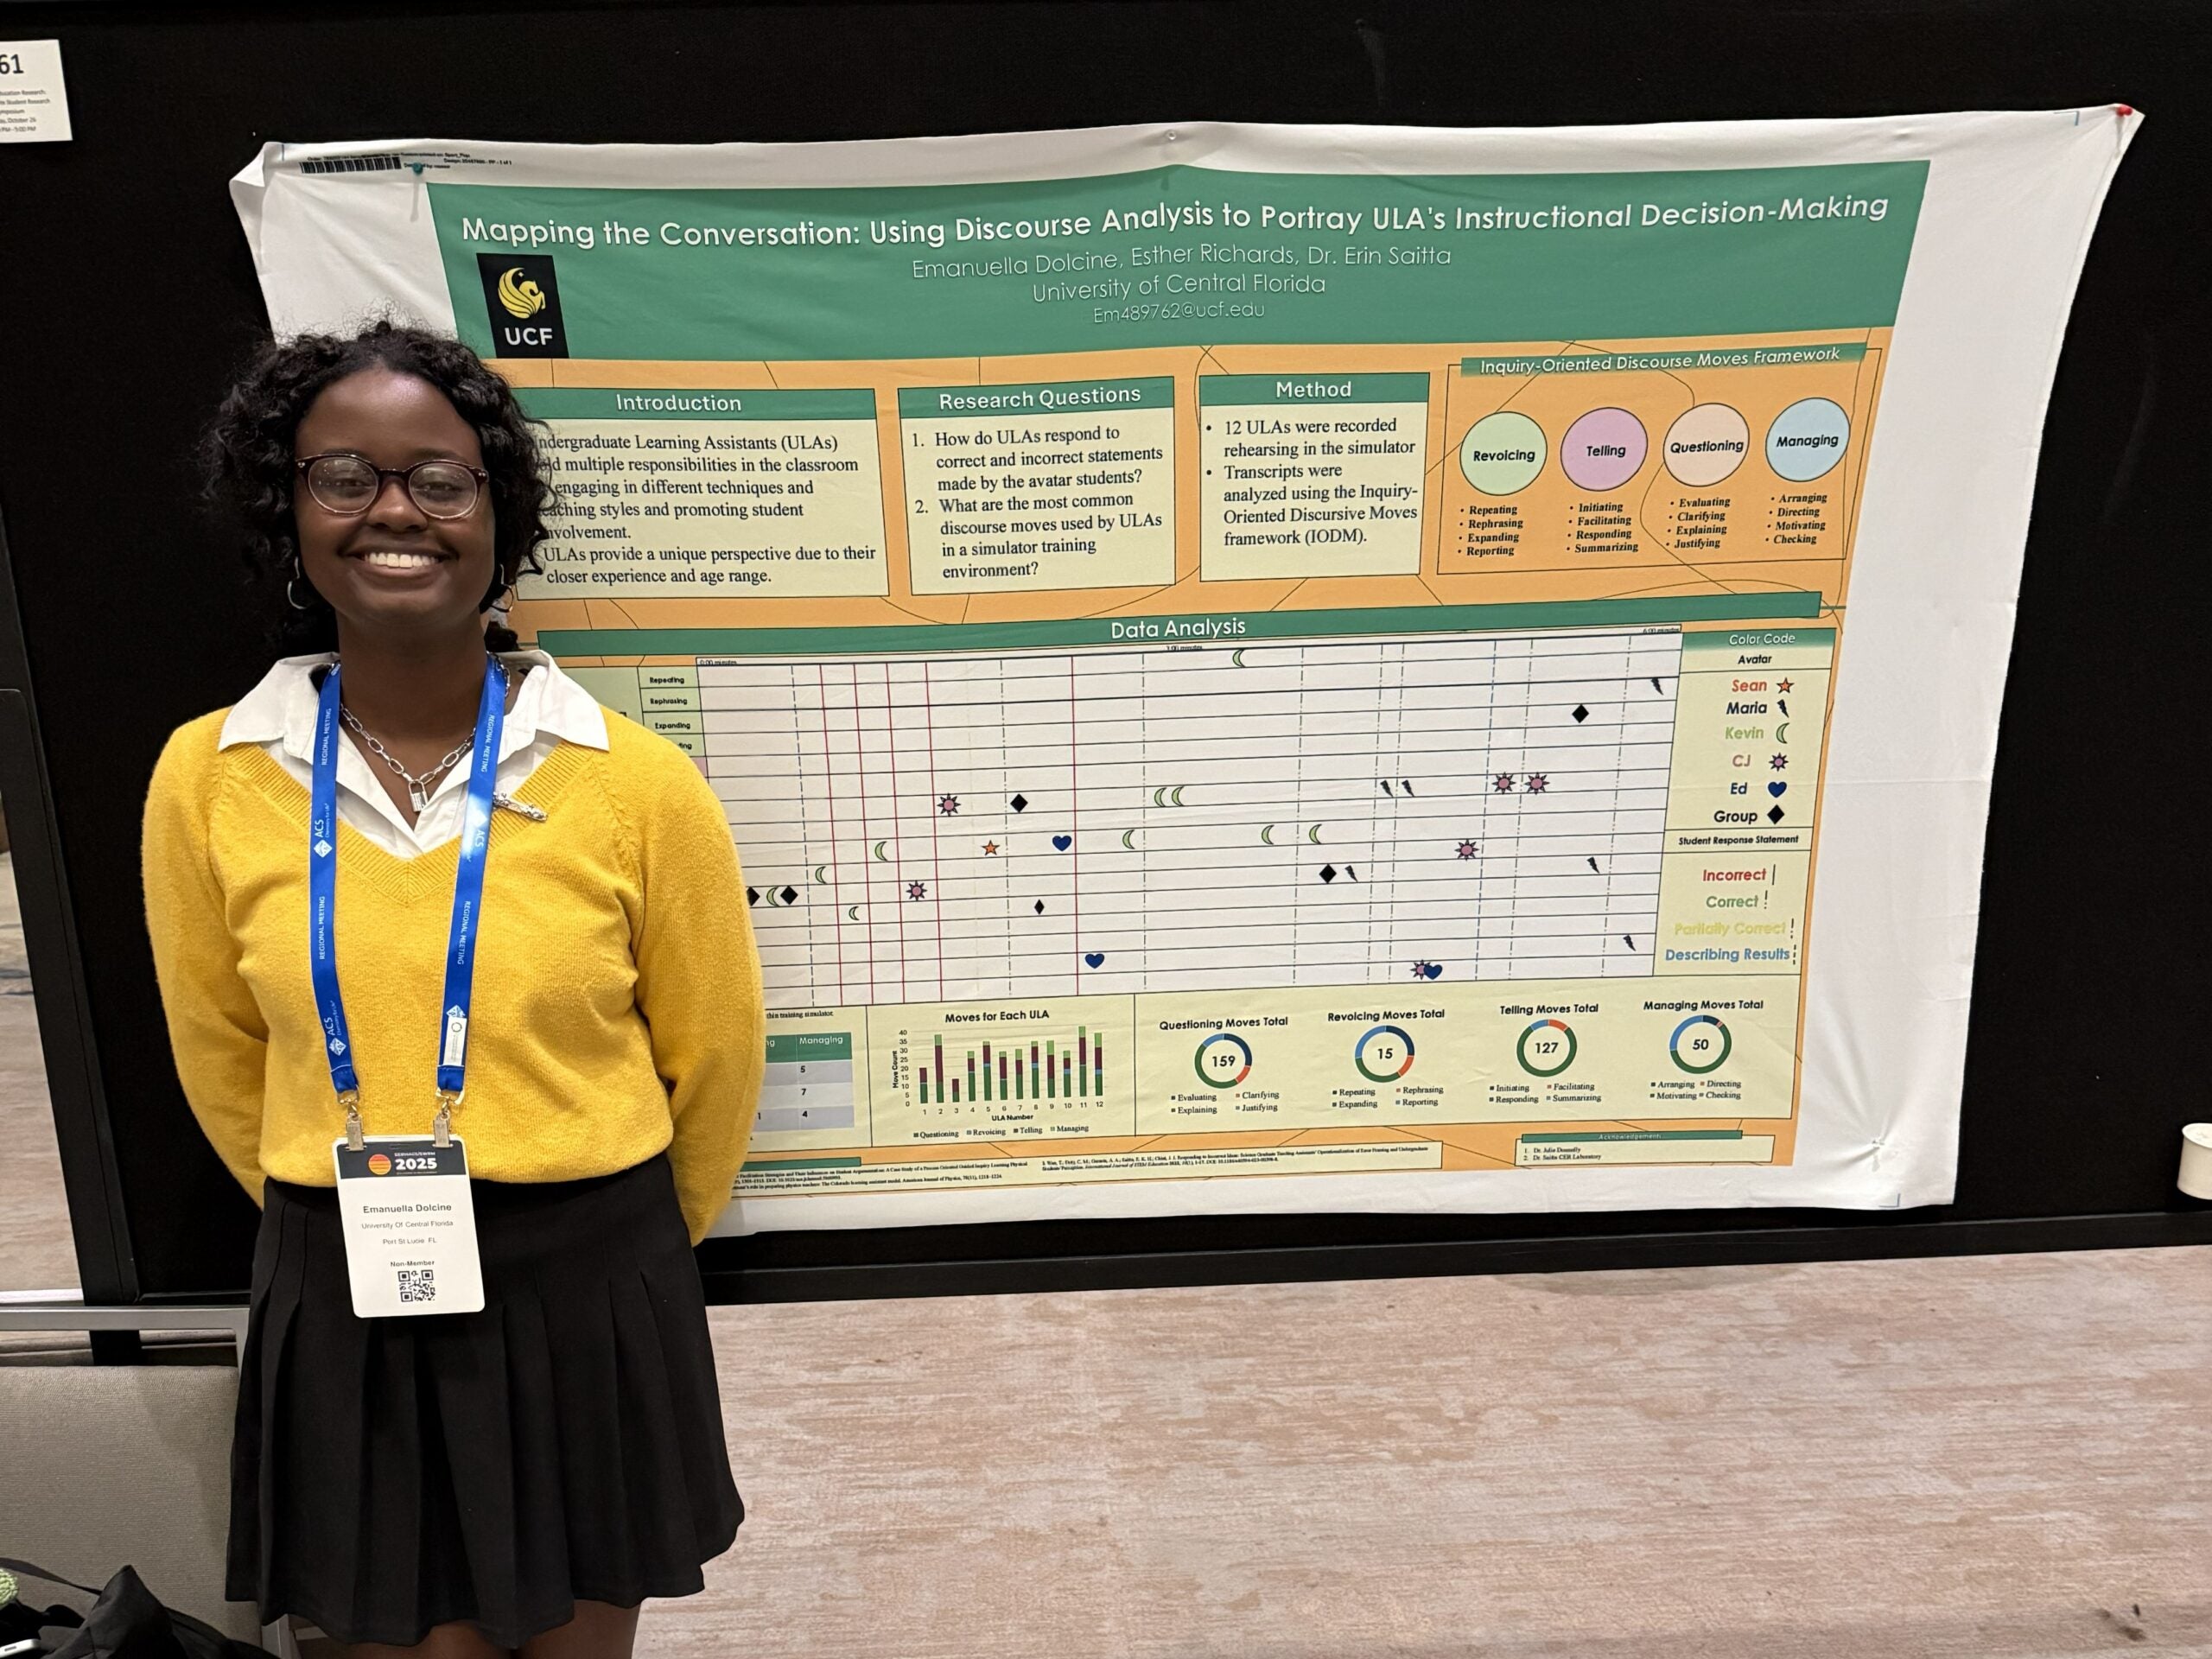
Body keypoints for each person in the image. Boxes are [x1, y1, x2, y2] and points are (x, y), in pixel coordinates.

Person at [141, 321, 764, 1657]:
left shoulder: (636, 783)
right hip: (348, 1279)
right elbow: (218, 1050)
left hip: (590, 1281)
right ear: (285, 510)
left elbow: (715, 1065)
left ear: (496, 511)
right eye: (342, 475)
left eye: (440, 477)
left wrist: (624, 1243)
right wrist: (345, 1196)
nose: (393, 512)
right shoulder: (207, 773)